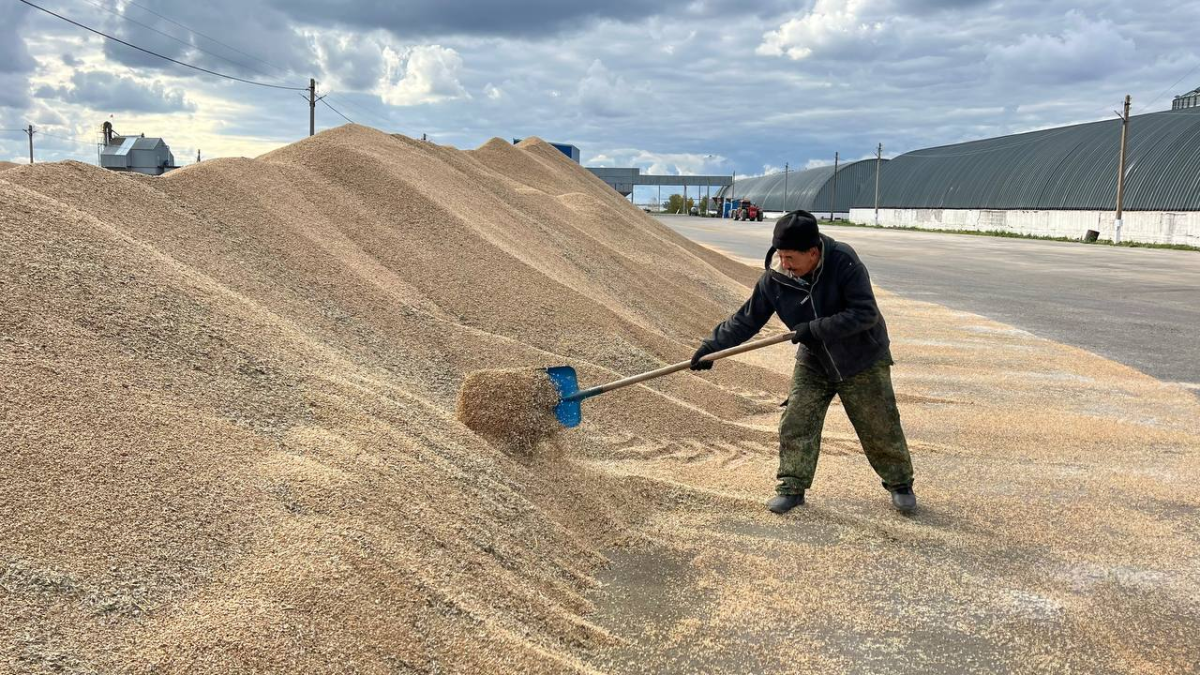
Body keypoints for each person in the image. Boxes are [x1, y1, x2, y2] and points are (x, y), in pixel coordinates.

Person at [690, 210, 916, 513]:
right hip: (815, 356)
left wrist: (815, 328)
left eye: (791, 258)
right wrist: (711, 347)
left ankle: (900, 483)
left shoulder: (844, 262)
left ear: (813, 252)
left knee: (879, 424)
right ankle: (792, 486)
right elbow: (746, 319)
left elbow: (865, 314)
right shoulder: (775, 279)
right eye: (780, 256)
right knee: (797, 419)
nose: (785, 264)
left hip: (861, 355)